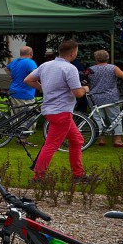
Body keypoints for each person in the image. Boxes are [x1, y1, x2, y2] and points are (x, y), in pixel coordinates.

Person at [26, 40, 90, 181]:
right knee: (51, 145)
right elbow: (78, 93)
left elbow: (28, 79)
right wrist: (85, 88)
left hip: (51, 110)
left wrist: (43, 88)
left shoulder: (46, 65)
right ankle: (38, 176)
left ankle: (78, 174)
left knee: (77, 140)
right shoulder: (70, 68)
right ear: (73, 53)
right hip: (62, 112)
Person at [88, 50, 123, 147]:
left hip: (95, 97)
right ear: (107, 58)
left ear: (96, 59)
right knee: (115, 117)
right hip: (110, 97)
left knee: (98, 118)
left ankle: (101, 139)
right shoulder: (113, 68)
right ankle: (117, 140)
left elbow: (87, 82)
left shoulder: (90, 70)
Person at [5, 46, 38, 110]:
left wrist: (13, 75)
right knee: (30, 115)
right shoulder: (30, 62)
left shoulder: (14, 62)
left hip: (13, 93)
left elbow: (6, 69)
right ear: (31, 54)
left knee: (15, 115)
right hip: (25, 95)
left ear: (20, 54)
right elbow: (36, 74)